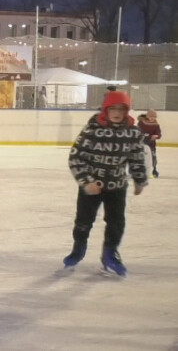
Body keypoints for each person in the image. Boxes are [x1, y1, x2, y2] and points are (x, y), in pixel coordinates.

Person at [63, 91, 148, 276]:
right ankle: (78, 249)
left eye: (122, 109)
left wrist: (139, 180)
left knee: (116, 223)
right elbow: (76, 157)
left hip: (117, 187)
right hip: (92, 187)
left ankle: (110, 254)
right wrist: (86, 182)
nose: (117, 113)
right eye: (113, 109)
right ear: (106, 109)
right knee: (83, 222)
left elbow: (137, 159)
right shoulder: (92, 130)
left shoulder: (133, 132)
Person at [137, 110, 161, 178]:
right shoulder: (141, 123)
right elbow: (138, 132)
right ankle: (139, 170)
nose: (152, 118)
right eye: (151, 116)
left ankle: (154, 170)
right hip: (142, 143)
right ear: (147, 116)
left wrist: (156, 136)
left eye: (154, 117)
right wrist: (147, 136)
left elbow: (159, 134)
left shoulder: (156, 125)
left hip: (151, 144)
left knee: (153, 157)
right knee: (141, 157)